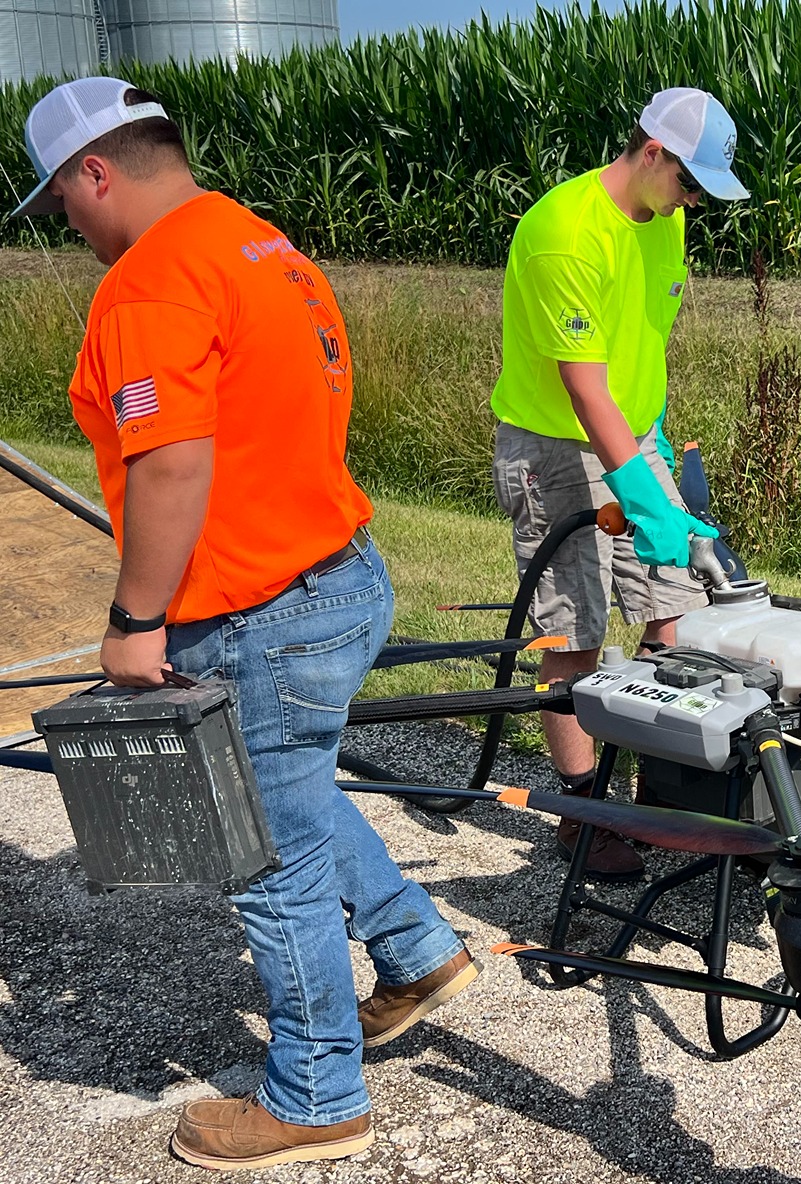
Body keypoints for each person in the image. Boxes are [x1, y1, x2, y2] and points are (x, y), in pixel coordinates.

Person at [12, 77, 476, 1171]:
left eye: (64, 204)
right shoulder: (260, 245)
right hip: (337, 571)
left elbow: (171, 458)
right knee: (295, 796)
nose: (69, 226)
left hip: (257, 605)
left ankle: (316, 1093)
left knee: (267, 855)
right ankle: (416, 948)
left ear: (97, 172)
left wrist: (135, 618)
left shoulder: (147, 285)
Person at [491, 87, 749, 880]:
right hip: (556, 445)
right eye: (690, 181)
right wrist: (638, 493)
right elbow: (583, 386)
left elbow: (646, 334)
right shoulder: (565, 235)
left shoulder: (665, 219)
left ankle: (656, 793)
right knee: (575, 630)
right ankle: (579, 811)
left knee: (674, 611)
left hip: (634, 434)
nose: (696, 201)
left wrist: (655, 437)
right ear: (651, 153)